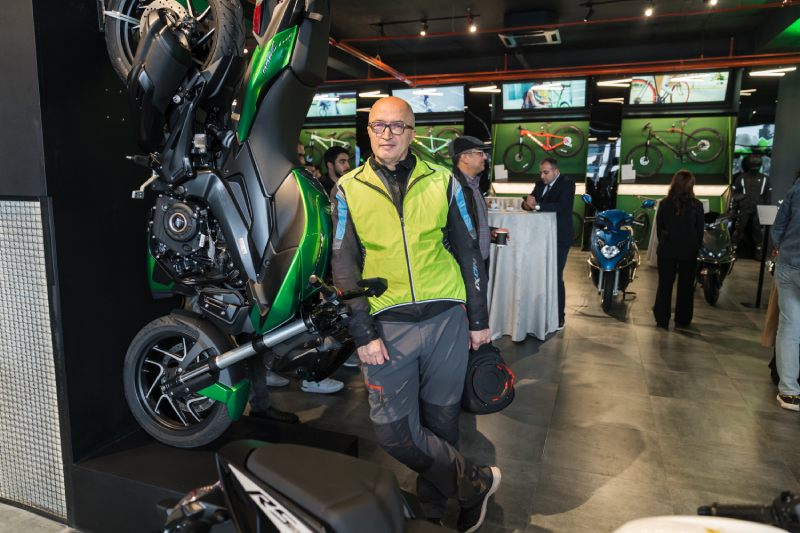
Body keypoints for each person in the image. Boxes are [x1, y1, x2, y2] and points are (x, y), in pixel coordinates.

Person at [330, 97, 501, 531]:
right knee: (394, 431)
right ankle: (475, 483)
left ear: (412, 132)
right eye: (378, 125)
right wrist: (362, 331)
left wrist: (478, 319)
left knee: (442, 423)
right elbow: (343, 262)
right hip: (387, 323)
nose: (386, 134)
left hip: (446, 316)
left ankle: (433, 511)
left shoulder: (444, 180)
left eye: (396, 126)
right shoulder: (348, 187)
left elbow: (469, 251)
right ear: (369, 130)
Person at [521, 157, 576, 330]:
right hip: (540, 237)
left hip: (560, 238)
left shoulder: (568, 184)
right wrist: (526, 204)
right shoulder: (540, 184)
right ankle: (540, 313)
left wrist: (537, 206)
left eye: (546, 172)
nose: (542, 176)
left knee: (555, 276)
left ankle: (559, 316)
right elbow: (531, 201)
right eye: (541, 172)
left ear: (555, 171)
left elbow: (562, 206)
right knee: (538, 275)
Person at [449, 136, 510, 274]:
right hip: (465, 265)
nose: (485, 157)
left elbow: (469, 224)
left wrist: (489, 232)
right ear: (465, 158)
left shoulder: (474, 185)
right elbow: (453, 229)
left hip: (479, 262)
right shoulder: (453, 187)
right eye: (480, 153)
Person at [652, 170, 704, 328]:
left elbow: (659, 228)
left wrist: (665, 241)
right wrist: (696, 247)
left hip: (667, 249)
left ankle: (662, 319)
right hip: (689, 250)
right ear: (691, 185)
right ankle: (683, 319)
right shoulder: (697, 205)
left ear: (674, 183)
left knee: (665, 285)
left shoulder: (664, 203)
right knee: (686, 286)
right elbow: (699, 231)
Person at [772, 178, 800, 410]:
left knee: (789, 329)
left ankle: (789, 392)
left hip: (788, 263)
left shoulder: (798, 187)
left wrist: (784, 249)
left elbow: (779, 225)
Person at [731, 154, 771, 258]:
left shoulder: (765, 179)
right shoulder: (741, 178)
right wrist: (733, 208)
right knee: (739, 228)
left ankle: (757, 250)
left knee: (757, 230)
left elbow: (768, 196)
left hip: (758, 208)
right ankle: (733, 249)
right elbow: (734, 195)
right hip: (744, 207)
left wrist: (767, 210)